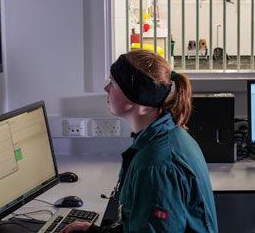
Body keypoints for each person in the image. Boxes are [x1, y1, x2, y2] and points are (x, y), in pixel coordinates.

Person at [61, 50, 219, 233]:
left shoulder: (157, 164)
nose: (106, 89)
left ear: (139, 102)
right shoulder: (166, 136)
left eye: (112, 84)